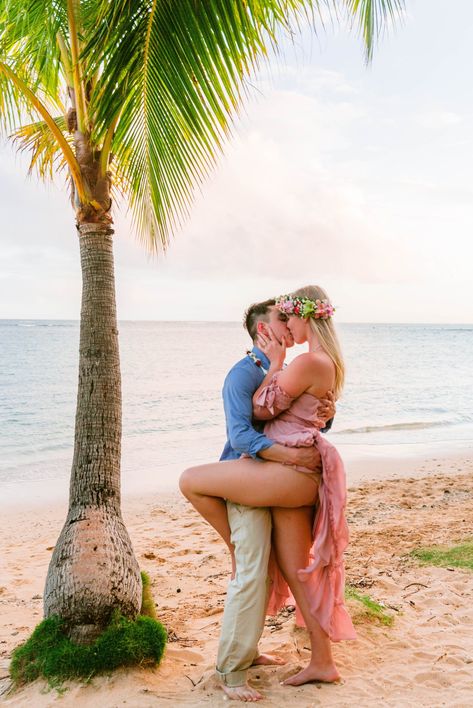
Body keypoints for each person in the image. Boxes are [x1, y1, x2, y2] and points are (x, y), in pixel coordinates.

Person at [180, 285, 356, 699]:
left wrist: (276, 364)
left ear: (305, 317)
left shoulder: (305, 360)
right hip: (291, 468)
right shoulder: (289, 364)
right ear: (265, 328)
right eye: (282, 318)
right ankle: (323, 662)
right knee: (299, 573)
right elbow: (301, 412)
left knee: (190, 479)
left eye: (291, 315)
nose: (289, 323)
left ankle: (234, 545)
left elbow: (263, 411)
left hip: (292, 472)